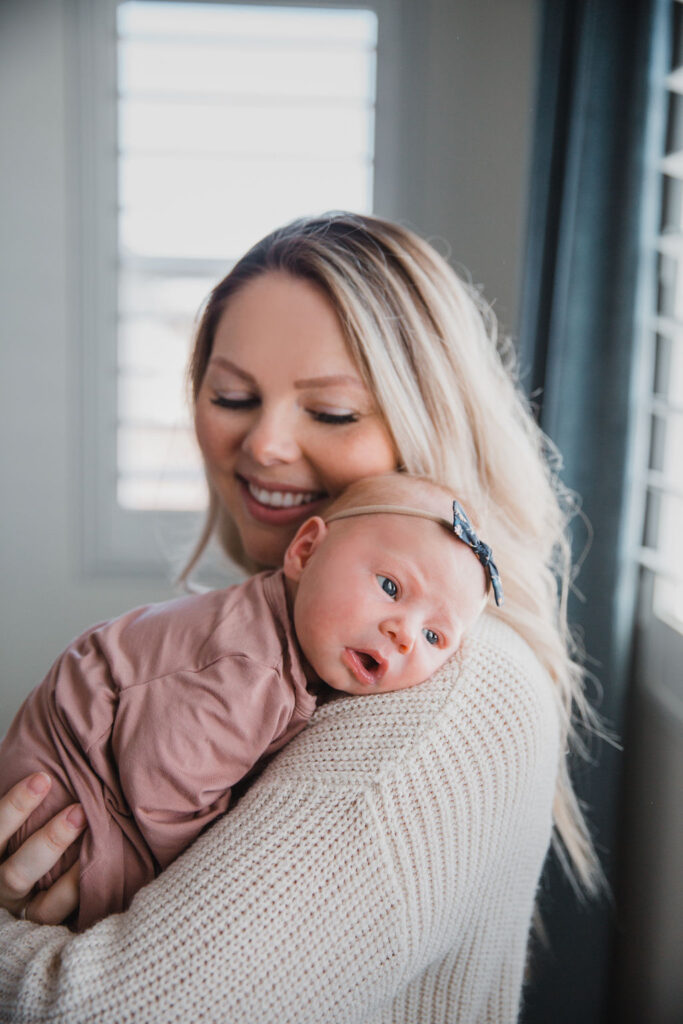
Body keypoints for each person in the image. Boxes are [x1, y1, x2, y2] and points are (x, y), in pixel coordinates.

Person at [0, 213, 600, 1023]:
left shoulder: (435, 698)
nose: (267, 444)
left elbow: (106, 1009)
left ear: (428, 419)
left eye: (332, 413)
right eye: (233, 396)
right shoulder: (291, 644)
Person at [0, 473, 496, 932]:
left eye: (434, 635)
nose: (405, 635)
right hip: (66, 799)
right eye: (390, 587)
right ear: (305, 552)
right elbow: (163, 783)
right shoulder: (249, 668)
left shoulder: (290, 635)